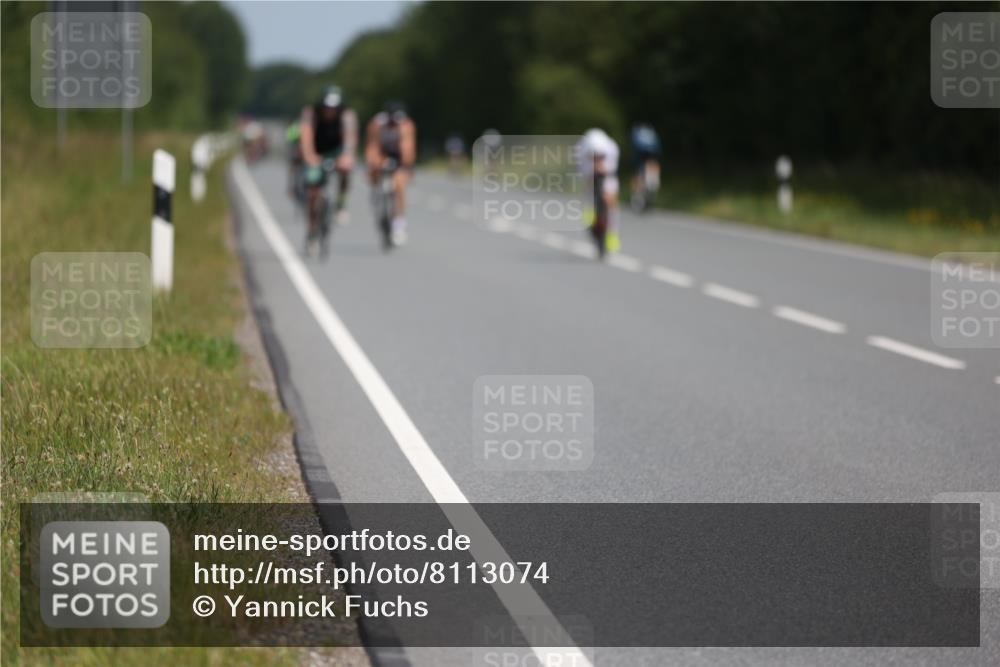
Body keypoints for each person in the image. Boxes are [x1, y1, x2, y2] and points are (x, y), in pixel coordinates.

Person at [298, 86, 359, 250]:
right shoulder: (311, 114)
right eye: (327, 107)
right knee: (313, 192)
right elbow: (306, 138)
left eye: (333, 108)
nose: (330, 111)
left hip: (336, 150)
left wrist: (347, 156)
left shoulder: (347, 115)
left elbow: (350, 139)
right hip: (316, 151)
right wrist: (310, 157)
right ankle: (311, 232)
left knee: (346, 169)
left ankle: (341, 204)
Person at [365, 101, 416, 246]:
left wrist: (406, 168)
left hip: (398, 155)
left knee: (399, 185)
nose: (395, 124)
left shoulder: (407, 125)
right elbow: (372, 146)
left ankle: (399, 223)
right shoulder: (377, 124)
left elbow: (408, 150)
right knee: (374, 174)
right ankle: (377, 191)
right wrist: (374, 165)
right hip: (382, 152)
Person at [576, 128, 621, 255]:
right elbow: (583, 175)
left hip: (607, 175)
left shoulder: (612, 148)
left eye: (601, 156)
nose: (597, 159)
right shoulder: (581, 151)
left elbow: (612, 173)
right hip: (589, 176)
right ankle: (590, 220)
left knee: (611, 201)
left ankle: (612, 233)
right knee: (589, 198)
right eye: (594, 156)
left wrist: (603, 171)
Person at [630, 122, 661, 212]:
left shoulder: (637, 131)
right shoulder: (651, 133)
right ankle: (652, 187)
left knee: (638, 174)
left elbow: (634, 144)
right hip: (653, 157)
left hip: (640, 157)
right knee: (652, 170)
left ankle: (637, 196)